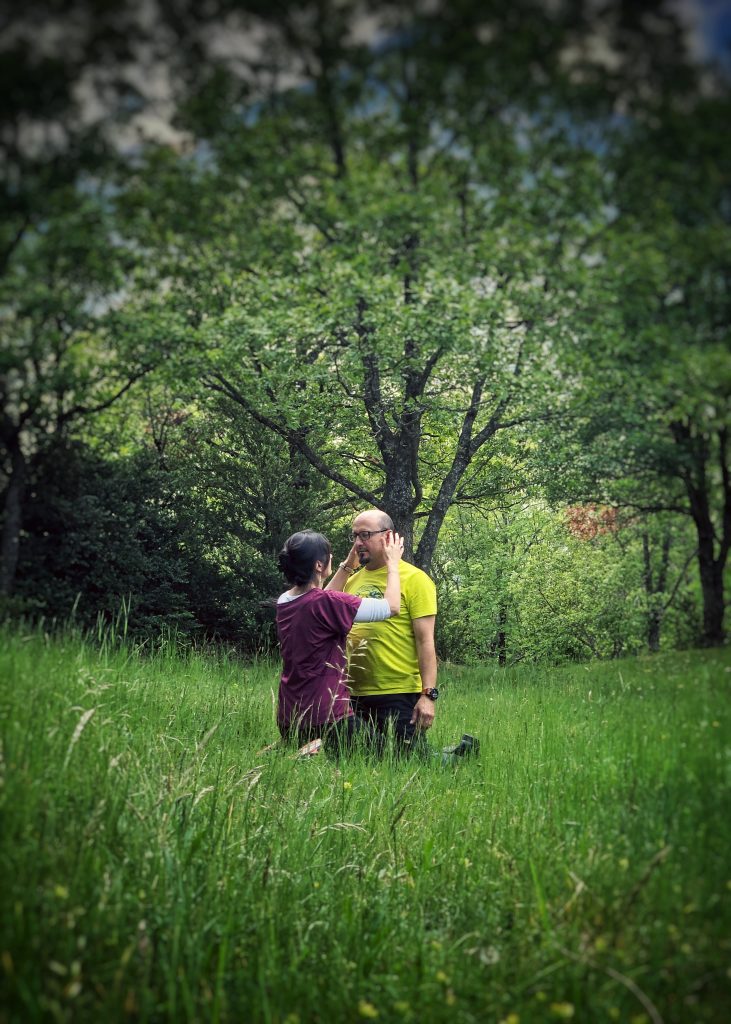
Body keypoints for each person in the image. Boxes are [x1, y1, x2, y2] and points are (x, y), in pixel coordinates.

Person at [275, 528, 404, 753]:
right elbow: (391, 607)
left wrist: (346, 566)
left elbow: (319, 598)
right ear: (318, 565)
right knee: (394, 757)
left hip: (291, 717)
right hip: (329, 718)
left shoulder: (286, 600)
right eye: (329, 556)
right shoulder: (327, 602)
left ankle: (307, 751)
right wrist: (393, 564)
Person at [332, 509, 439, 753]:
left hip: (397, 693)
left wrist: (428, 696)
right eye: (355, 536)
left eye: (366, 535)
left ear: (388, 537)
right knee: (361, 763)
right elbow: (320, 605)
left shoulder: (415, 579)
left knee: (408, 763)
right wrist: (348, 565)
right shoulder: (352, 580)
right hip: (353, 693)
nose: (359, 543)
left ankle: (461, 753)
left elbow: (426, 642)